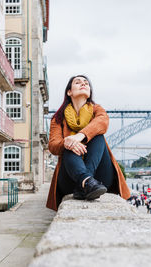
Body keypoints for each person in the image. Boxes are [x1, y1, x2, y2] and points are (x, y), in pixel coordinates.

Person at [46, 75, 130, 211]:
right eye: (78, 82)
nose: (83, 84)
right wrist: (67, 142)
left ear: (90, 92)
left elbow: (102, 122)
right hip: (69, 178)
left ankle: (85, 182)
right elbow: (53, 146)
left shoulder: (97, 110)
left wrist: (79, 136)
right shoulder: (58, 119)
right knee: (68, 145)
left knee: (98, 136)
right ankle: (86, 181)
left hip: (100, 180)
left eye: (86, 83)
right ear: (69, 92)